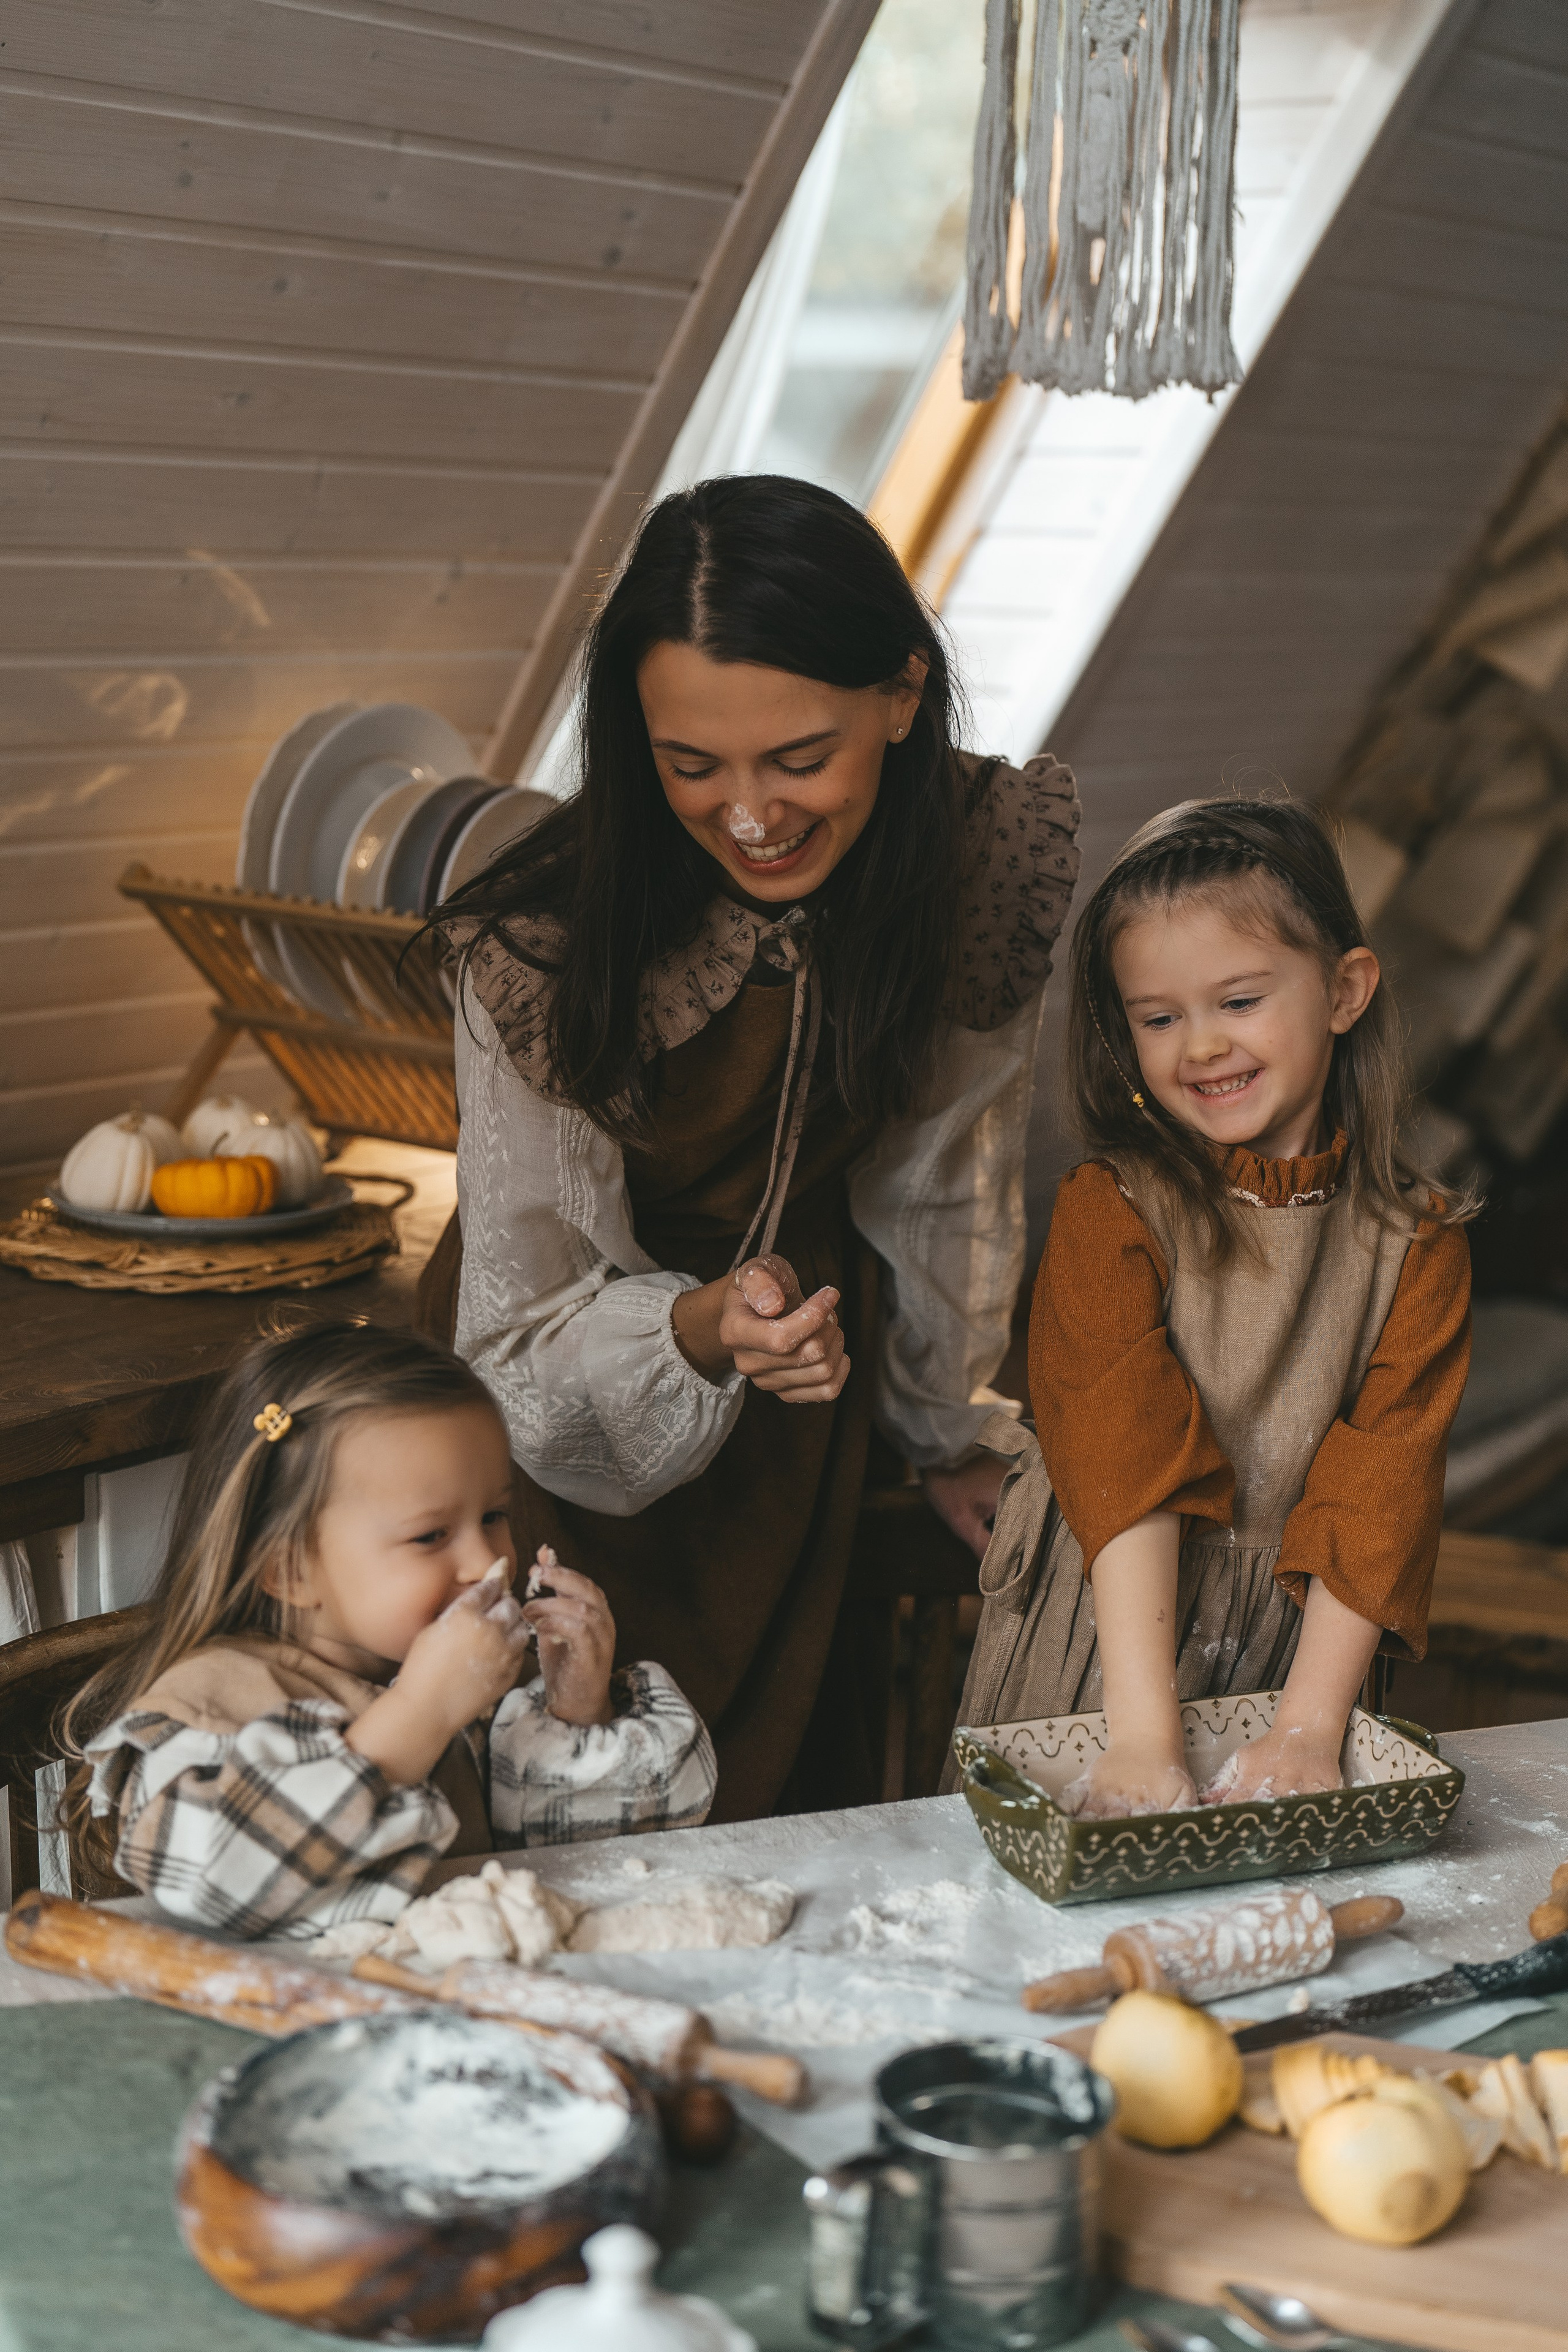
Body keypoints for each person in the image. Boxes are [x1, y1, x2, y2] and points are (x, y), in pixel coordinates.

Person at [429, 474, 1080, 1819]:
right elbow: (516, 1336)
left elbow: (942, 1179)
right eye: (689, 765)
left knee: (777, 1821)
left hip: (801, 1405)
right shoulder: (540, 940)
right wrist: (699, 1328)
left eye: (798, 760)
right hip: (555, 1422)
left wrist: (944, 1426)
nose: (748, 812)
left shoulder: (971, 857)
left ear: (901, 696)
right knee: (571, 1824)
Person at [949, 797, 1474, 1816]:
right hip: (1106, 1641)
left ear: (1344, 991)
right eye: (1158, 1018)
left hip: (1304, 1651)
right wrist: (1145, 1745)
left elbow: (1375, 1509)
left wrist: (1309, 1732)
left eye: (1238, 1001)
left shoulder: (1420, 1244)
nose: (1200, 1047)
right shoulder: (1110, 1213)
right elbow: (1128, 1478)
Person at [63, 1324, 715, 1939]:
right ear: (289, 1570)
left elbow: (600, 1869)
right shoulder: (211, 1705)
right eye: (430, 1535)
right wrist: (420, 1714)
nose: (483, 1562)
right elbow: (214, 1885)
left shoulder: (487, 1675)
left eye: (493, 1515)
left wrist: (577, 1713)